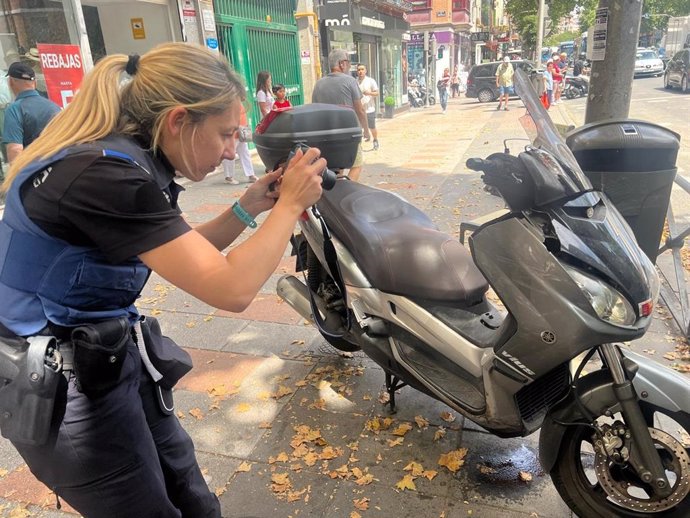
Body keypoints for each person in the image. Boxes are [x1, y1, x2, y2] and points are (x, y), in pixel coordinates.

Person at [0, 43, 325, 517]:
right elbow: (231, 290)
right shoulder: (105, 175)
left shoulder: (126, 158)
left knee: (192, 497)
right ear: (178, 121)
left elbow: (180, 252)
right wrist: (292, 204)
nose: (233, 150)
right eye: (226, 134)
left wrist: (250, 206)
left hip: (105, 360)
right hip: (62, 391)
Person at [312, 48, 370, 182]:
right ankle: (347, 191)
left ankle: (336, 194)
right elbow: (360, 109)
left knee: (336, 167)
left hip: (326, 135)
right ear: (342, 63)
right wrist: (366, 130)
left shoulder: (319, 84)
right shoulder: (350, 81)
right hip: (348, 133)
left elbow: (315, 109)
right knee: (356, 165)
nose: (349, 65)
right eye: (348, 62)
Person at [2, 62, 60, 164]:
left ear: (10, 81)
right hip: (60, 168)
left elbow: (15, 150)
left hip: (35, 173)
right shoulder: (54, 106)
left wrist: (18, 178)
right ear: (35, 82)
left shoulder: (14, 110)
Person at [223, 103, 257, 184]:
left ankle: (250, 174)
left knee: (245, 153)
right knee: (230, 154)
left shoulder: (238, 101)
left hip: (242, 131)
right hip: (232, 132)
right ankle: (228, 176)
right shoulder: (229, 101)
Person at [356, 64, 379, 150]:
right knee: (358, 128)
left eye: (362, 69)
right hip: (359, 110)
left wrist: (369, 93)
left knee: (372, 127)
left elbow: (377, 93)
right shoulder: (355, 82)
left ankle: (375, 140)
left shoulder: (370, 81)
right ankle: (359, 145)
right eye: (359, 70)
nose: (360, 71)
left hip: (369, 109)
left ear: (366, 71)